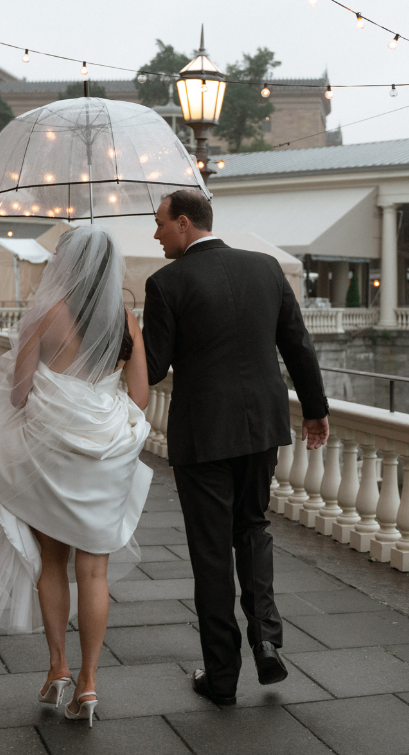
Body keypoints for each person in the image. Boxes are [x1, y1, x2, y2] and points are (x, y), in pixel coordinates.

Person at [0, 225, 150, 728]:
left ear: (65, 266)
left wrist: (59, 391)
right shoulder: (126, 321)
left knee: (52, 563)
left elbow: (19, 394)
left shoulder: (46, 316)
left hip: (52, 453)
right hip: (105, 454)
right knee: (95, 571)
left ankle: (58, 668)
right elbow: (140, 398)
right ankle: (90, 684)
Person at [142, 189, 329, 707]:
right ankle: (266, 637)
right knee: (252, 527)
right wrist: (315, 409)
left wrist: (123, 332)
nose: (155, 234)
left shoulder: (166, 284)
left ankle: (221, 676)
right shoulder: (266, 268)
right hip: (261, 427)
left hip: (203, 435)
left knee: (210, 552)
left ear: (183, 224)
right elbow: (297, 343)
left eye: (159, 225)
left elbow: (153, 370)